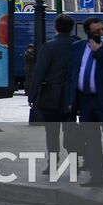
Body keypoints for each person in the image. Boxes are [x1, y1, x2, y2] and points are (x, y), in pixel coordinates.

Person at [67, 15, 103, 189]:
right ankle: (97, 176)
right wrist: (72, 100)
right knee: (91, 141)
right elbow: (73, 74)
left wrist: (99, 51)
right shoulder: (77, 48)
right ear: (88, 33)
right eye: (97, 31)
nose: (101, 32)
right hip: (86, 101)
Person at [28, 13, 81, 165]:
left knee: (51, 132)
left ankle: (52, 162)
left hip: (51, 95)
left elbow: (39, 72)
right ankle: (74, 161)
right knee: (70, 129)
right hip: (72, 95)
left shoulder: (49, 46)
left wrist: (32, 96)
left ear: (55, 27)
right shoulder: (78, 45)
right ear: (71, 28)